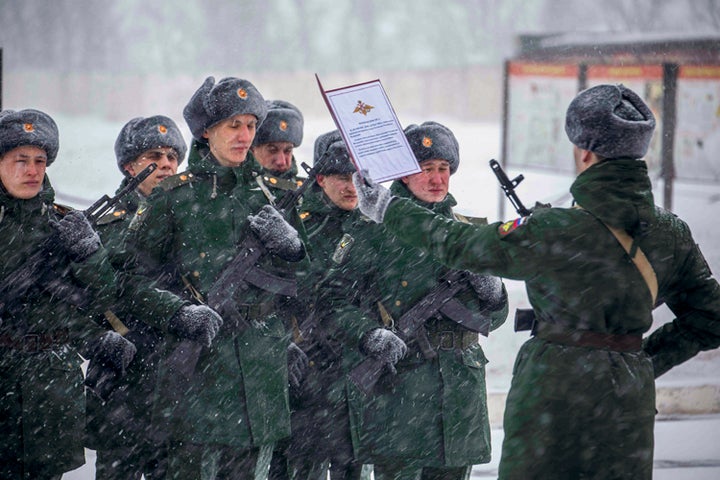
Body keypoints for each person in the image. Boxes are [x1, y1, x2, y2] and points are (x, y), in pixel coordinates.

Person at [352, 84, 720, 479]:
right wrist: (641, 359)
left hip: (551, 396)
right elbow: (710, 318)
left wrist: (390, 210)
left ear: (585, 151)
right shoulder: (671, 233)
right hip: (627, 402)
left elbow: (460, 244)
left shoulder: (555, 229)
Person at [122, 76, 309, 479]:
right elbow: (130, 283)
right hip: (198, 375)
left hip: (259, 372)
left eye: (250, 125)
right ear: (207, 131)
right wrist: (178, 314)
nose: (245, 136)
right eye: (233, 126)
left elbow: (307, 287)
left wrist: (294, 249)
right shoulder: (173, 197)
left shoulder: (272, 196)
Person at [333, 121, 508, 480]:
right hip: (402, 393)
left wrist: (492, 290)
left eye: (444, 169)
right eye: (426, 169)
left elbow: (498, 315)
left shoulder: (469, 231)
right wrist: (369, 335)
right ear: (403, 174)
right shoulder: (373, 230)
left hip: (460, 392)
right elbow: (332, 300)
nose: (437, 179)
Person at [0, 108, 136, 479]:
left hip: (52, 385)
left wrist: (89, 254)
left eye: (40, 161)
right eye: (19, 160)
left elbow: (105, 295)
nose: (32, 170)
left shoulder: (62, 223)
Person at [84, 115, 187, 480]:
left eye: (173, 157)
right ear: (129, 167)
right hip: (124, 374)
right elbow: (96, 295)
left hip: (176, 375)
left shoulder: (189, 218)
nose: (166, 165)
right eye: (153, 157)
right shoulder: (105, 224)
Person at [272, 130, 369, 480]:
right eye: (342, 178)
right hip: (309, 372)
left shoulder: (375, 228)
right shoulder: (300, 226)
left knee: (355, 467)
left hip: (360, 372)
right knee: (302, 467)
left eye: (358, 178)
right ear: (320, 179)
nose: (351, 187)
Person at [250, 99, 306, 197]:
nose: (282, 161)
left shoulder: (307, 191)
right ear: (252, 149)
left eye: (287, 151)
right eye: (272, 150)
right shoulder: (238, 191)